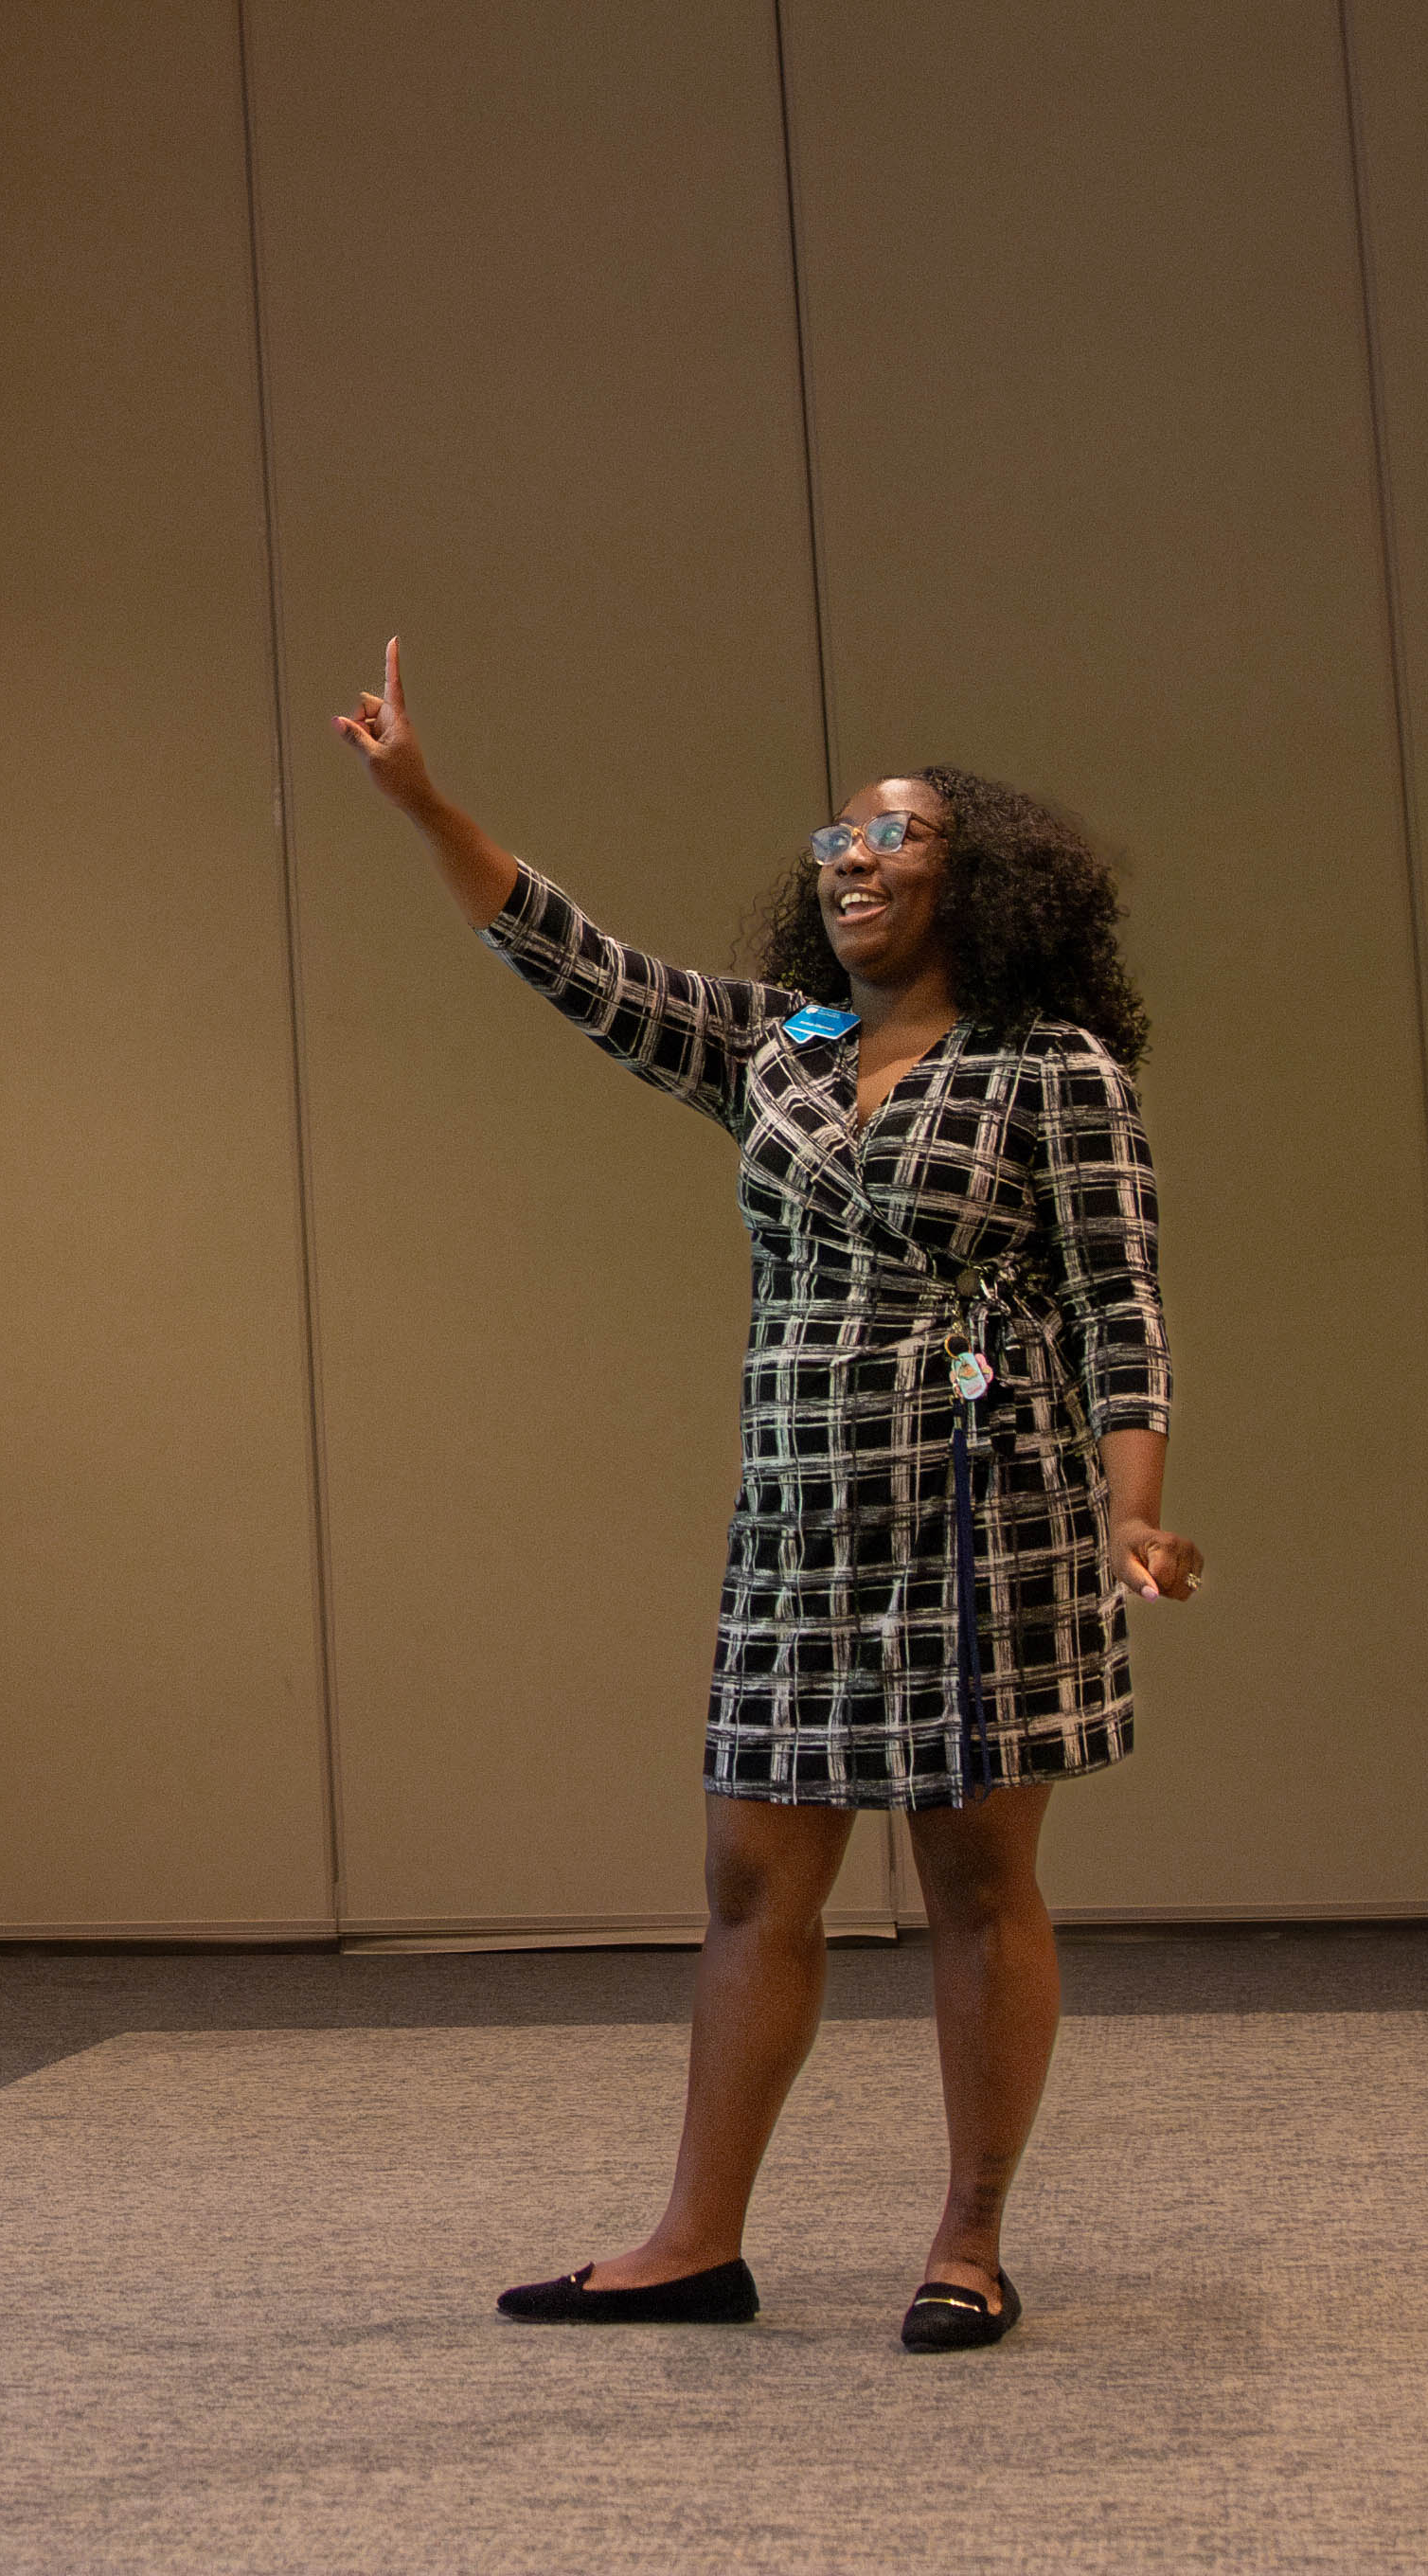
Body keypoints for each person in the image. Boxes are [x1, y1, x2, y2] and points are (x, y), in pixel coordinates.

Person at [332, 639, 1201, 2356]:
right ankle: (694, 2241)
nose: (855, 863)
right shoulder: (775, 1049)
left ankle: (968, 2239)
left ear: (984, 882)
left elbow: (1125, 1305)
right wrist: (427, 803)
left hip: (989, 1503)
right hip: (802, 1521)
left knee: (972, 1879)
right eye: (837, 844)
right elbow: (571, 961)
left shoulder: (1054, 1069)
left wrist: (1133, 1507)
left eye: (896, 840)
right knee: (751, 1878)